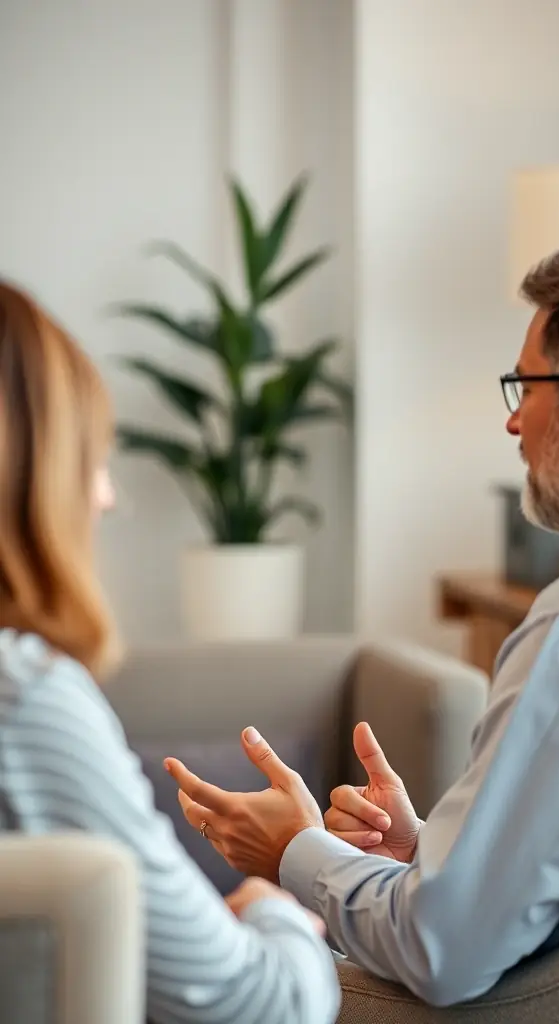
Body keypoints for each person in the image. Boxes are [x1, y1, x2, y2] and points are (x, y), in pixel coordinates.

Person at [166, 236, 559, 1007]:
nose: (515, 426)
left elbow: (438, 953)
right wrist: (432, 857)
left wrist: (295, 851)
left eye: (526, 387)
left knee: (213, 973)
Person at [0, 282, 340, 1024]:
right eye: (91, 460)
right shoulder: (22, 699)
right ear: (29, 477)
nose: (107, 497)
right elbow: (259, 1004)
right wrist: (271, 903)